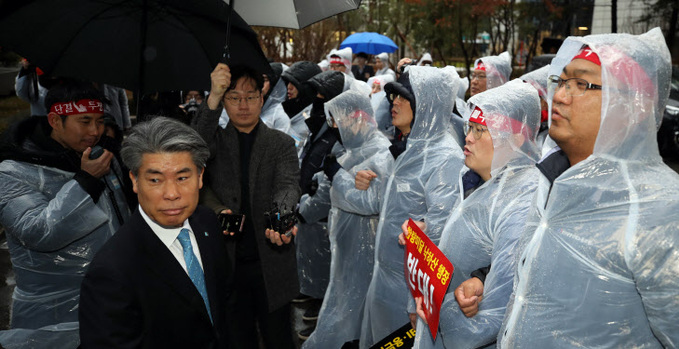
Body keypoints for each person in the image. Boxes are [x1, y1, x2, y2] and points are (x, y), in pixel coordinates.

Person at [498, 28, 679, 347]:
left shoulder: (660, 208)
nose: (561, 96)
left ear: (632, 106)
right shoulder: (552, 180)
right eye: (562, 82)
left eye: (582, 84)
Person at [406, 79, 541, 349]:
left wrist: (444, 312)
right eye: (470, 128)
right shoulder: (478, 182)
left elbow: (498, 308)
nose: (468, 137)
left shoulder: (520, 197)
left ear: (514, 140)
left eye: (481, 130)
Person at [0, 80, 131, 347]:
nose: (95, 131)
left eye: (99, 120)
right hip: (52, 314)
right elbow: (37, 231)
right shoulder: (12, 170)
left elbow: (122, 215)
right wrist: (86, 181)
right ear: (55, 120)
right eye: (84, 121)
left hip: (111, 299)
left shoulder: (100, 154)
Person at [79, 117, 231, 348]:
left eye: (182, 177)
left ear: (200, 176)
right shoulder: (111, 272)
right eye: (155, 180)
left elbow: (225, 304)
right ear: (135, 181)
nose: (171, 193)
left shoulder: (207, 222)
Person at [192, 63, 301, 349]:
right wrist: (213, 97)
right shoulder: (214, 144)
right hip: (228, 263)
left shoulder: (281, 144)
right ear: (225, 102)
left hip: (272, 262)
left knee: (279, 337)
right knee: (236, 339)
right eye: (234, 97)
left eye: (250, 96)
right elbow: (191, 154)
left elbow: (288, 185)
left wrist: (281, 216)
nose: (243, 105)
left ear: (261, 99)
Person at [359, 66, 466, 349]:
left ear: (426, 104)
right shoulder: (409, 148)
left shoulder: (444, 157)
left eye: (404, 98)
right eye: (393, 96)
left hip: (410, 294)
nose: (393, 103)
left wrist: (416, 299)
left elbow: (440, 232)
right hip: (385, 280)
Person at [302, 90, 394, 348]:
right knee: (344, 308)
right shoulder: (352, 148)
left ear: (358, 118)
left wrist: (338, 175)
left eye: (339, 119)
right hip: (348, 248)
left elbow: (371, 202)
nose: (336, 127)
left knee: (354, 315)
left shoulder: (379, 152)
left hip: (364, 250)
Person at [281, 61, 323, 156]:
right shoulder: (286, 109)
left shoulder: (313, 119)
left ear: (307, 87)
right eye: (288, 82)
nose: (289, 87)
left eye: (294, 83)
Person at [367, 74, 395, 138]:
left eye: (379, 88)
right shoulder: (369, 100)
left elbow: (377, 122)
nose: (374, 91)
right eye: (373, 87)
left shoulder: (385, 102)